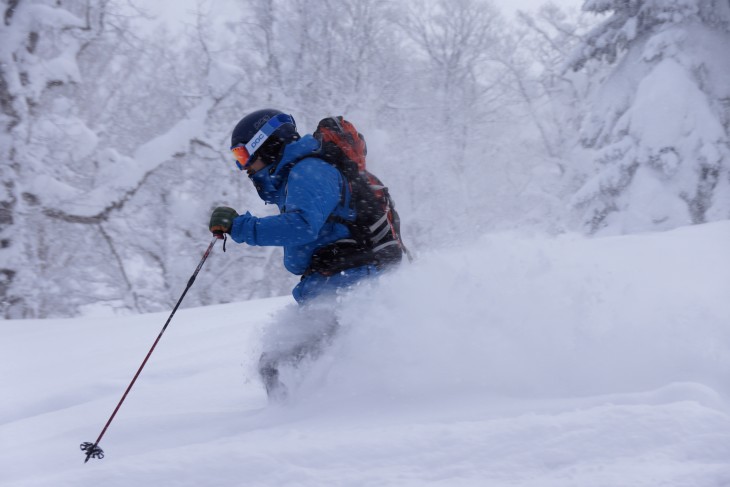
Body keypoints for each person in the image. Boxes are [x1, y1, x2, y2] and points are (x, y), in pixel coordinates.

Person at [208, 108, 402, 400]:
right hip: (334, 288)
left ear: (267, 143)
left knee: (283, 367)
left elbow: (302, 226)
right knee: (281, 366)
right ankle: (313, 420)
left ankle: (317, 427)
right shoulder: (299, 176)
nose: (244, 167)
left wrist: (241, 227)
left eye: (243, 155)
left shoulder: (310, 171)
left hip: (350, 287)